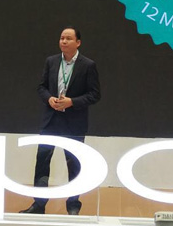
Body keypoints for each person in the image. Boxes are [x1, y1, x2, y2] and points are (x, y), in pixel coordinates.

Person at [19, 26, 101, 215]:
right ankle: (39, 204)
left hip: (74, 123)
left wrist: (72, 102)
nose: (64, 41)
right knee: (42, 161)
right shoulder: (51, 61)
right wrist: (49, 98)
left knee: (74, 164)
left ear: (78, 42)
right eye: (62, 38)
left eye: (68, 38)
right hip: (51, 120)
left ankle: (73, 205)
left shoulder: (88, 65)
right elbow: (41, 87)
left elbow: (95, 94)